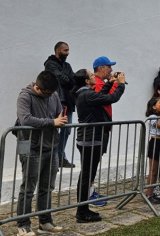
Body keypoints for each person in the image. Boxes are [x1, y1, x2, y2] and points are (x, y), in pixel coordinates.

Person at [15, 71, 68, 236]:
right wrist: (52, 122)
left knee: (47, 187)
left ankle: (45, 221)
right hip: (30, 147)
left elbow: (59, 113)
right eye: (47, 93)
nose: (50, 96)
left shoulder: (53, 95)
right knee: (28, 188)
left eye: (52, 93)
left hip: (51, 147)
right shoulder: (25, 96)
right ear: (37, 87)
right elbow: (25, 120)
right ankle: (23, 224)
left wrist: (59, 118)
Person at [72, 68, 126, 222]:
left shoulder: (85, 93)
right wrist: (121, 85)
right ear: (86, 80)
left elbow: (101, 95)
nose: (93, 77)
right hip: (90, 140)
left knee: (87, 175)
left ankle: (84, 208)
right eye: (90, 75)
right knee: (86, 176)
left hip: (90, 139)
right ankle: (81, 212)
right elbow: (111, 98)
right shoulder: (87, 94)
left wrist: (110, 82)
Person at [89, 55, 126, 205]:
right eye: (108, 67)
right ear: (100, 68)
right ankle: (88, 194)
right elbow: (110, 97)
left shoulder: (102, 82)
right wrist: (119, 83)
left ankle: (91, 191)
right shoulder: (97, 83)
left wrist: (114, 82)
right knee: (91, 162)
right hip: (97, 128)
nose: (111, 70)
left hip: (103, 127)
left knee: (95, 161)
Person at [44, 41, 76, 168]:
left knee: (67, 130)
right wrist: (70, 80)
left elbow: (73, 80)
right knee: (54, 129)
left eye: (68, 50)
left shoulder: (67, 65)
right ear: (58, 51)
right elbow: (62, 79)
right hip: (57, 101)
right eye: (65, 50)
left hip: (68, 101)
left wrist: (70, 80)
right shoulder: (50, 64)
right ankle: (52, 158)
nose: (68, 53)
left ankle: (60, 156)